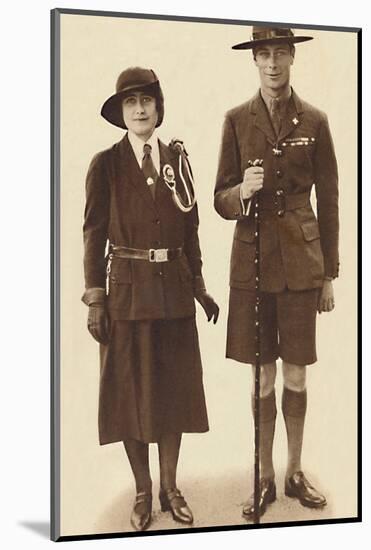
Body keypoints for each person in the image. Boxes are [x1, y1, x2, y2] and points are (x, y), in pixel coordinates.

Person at [82, 66, 219, 531]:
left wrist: (199, 287)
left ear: (159, 108)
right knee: (130, 395)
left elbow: (192, 228)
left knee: (173, 393)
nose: (140, 109)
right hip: (125, 296)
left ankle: (170, 486)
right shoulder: (105, 164)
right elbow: (93, 234)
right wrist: (96, 299)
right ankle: (143, 491)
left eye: (147, 100)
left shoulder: (177, 161)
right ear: (122, 114)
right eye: (130, 103)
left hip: (174, 294)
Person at [214, 27, 339, 519]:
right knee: (261, 374)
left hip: (302, 267)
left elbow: (328, 200)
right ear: (254, 60)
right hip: (254, 265)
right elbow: (220, 199)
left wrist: (329, 273)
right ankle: (262, 477)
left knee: (297, 371)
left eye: (280, 53)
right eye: (263, 54)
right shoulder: (234, 120)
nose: (272, 63)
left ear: (292, 58)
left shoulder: (316, 120)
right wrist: (242, 190)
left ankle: (293, 471)